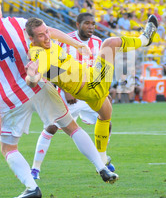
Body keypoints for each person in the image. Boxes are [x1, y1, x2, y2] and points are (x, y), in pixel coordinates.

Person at [0, 0, 118, 198]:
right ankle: (102, 167)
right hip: (39, 84)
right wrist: (76, 44)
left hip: (11, 98)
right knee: (71, 127)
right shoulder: (15, 22)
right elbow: (49, 32)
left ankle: (31, 187)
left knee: (8, 147)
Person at [24, 15, 161, 178]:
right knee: (110, 44)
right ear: (31, 39)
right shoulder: (39, 55)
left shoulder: (46, 40)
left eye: (46, 32)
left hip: (88, 84)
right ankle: (145, 39)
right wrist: (32, 76)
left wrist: (77, 44)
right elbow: (34, 78)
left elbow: (53, 33)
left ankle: (102, 159)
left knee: (105, 114)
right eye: (41, 35)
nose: (47, 37)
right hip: (92, 83)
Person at [30, 13, 114, 180]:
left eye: (93, 24)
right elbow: (52, 66)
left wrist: (102, 89)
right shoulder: (64, 39)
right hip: (70, 93)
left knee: (106, 118)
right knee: (52, 128)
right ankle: (35, 169)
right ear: (77, 24)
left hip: (90, 88)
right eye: (86, 24)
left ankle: (101, 158)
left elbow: (99, 68)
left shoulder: (98, 42)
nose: (90, 27)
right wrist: (67, 89)